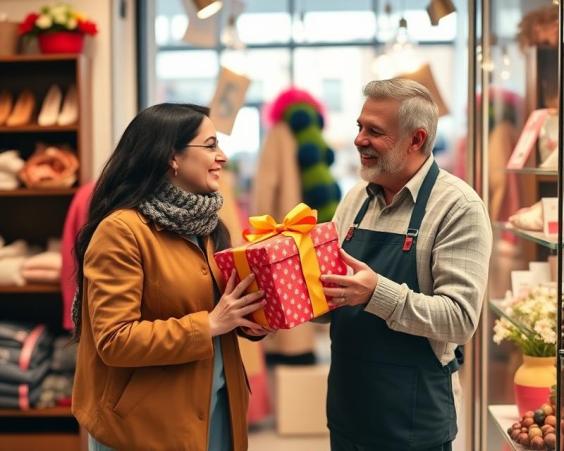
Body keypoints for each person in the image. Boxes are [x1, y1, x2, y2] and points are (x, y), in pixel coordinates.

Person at [71, 103, 270, 451]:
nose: (222, 156)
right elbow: (114, 341)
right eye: (210, 145)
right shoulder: (121, 231)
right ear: (172, 157)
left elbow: (213, 309)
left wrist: (247, 320)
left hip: (217, 408)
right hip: (145, 426)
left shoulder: (208, 225)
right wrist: (209, 325)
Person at [320, 79, 492, 451]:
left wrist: (375, 293)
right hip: (348, 413)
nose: (359, 140)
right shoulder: (354, 200)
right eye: (359, 127)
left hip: (413, 423)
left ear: (416, 140)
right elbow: (335, 295)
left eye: (374, 131)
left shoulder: (458, 207)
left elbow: (460, 319)